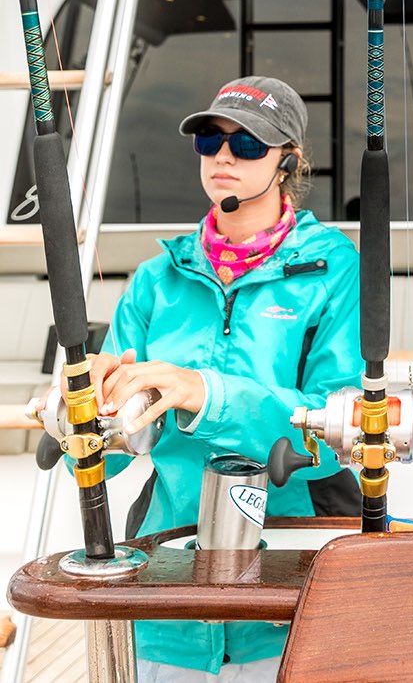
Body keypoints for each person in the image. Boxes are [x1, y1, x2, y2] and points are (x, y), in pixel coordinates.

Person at [78, 75, 363, 683]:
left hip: (291, 598)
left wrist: (207, 393)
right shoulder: (158, 277)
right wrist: (89, 415)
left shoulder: (335, 267)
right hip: (168, 591)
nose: (224, 156)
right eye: (210, 139)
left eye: (249, 143)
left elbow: (340, 432)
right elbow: (116, 456)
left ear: (288, 159)